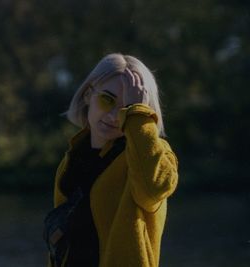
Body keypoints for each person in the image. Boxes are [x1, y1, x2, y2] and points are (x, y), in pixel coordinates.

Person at [43, 53, 178, 267]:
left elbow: (154, 188)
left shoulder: (154, 155)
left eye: (127, 107)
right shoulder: (72, 158)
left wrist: (138, 117)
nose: (115, 116)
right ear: (88, 95)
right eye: (108, 99)